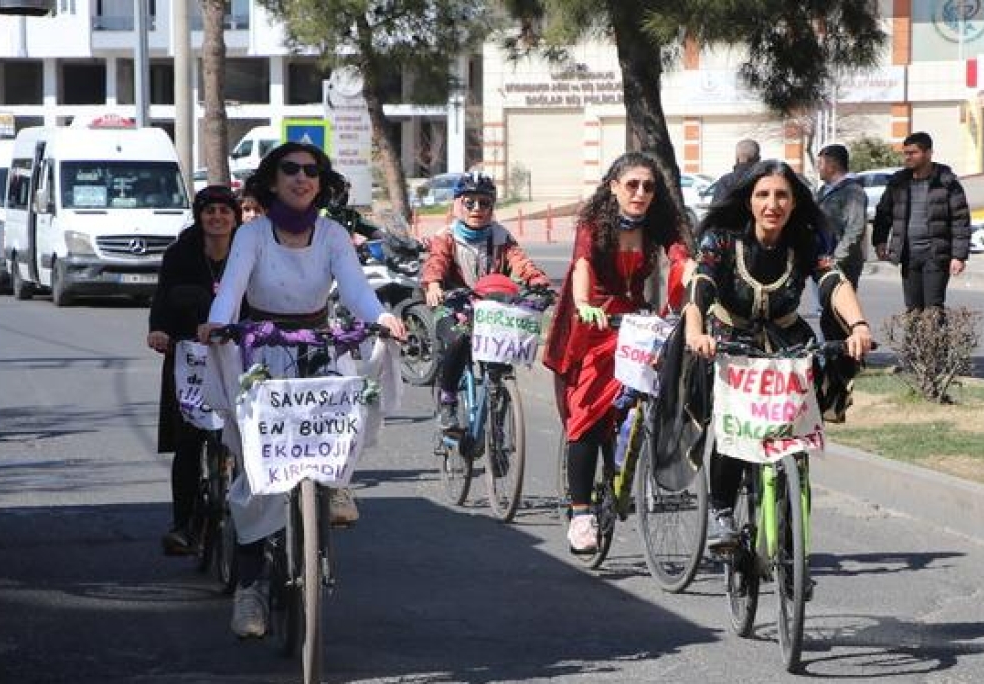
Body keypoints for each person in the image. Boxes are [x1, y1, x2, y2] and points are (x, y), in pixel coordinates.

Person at [197, 142, 405, 640]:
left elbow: (354, 288)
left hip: (318, 345)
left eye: (311, 171)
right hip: (261, 351)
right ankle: (250, 590)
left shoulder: (332, 233)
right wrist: (218, 324)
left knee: (343, 410)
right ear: (272, 180)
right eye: (290, 170)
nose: (301, 177)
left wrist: (380, 318)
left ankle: (333, 482)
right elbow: (230, 292)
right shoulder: (251, 235)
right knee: (257, 473)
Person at [682, 160, 873, 551]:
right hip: (727, 338)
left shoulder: (807, 238)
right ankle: (722, 512)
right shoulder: (721, 237)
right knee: (735, 423)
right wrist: (696, 332)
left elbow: (833, 281)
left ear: (794, 202)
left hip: (786, 338)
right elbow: (701, 282)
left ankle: (790, 547)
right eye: (763, 195)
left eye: (782, 195)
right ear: (749, 201)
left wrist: (858, 326)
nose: (773, 204)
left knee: (794, 430)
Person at [542, 152, 690, 554]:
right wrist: (583, 301)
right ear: (614, 186)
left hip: (636, 322)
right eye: (632, 185)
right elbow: (583, 265)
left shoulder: (660, 223)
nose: (640, 193)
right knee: (588, 413)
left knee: (658, 392)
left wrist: (693, 289)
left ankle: (630, 465)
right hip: (594, 322)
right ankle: (581, 512)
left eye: (648, 186)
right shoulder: (595, 224)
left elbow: (682, 260)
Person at [146, 185, 241, 556]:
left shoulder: (247, 252)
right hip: (189, 355)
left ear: (235, 217)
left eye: (224, 210)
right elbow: (163, 296)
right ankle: (183, 525)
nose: (217, 217)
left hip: (238, 353)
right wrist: (159, 330)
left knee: (246, 438)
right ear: (200, 216)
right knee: (189, 444)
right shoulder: (180, 254)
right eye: (209, 211)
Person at [421, 172, 550, 432]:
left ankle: (498, 416)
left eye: (484, 203)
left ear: (492, 207)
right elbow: (436, 262)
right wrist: (434, 284)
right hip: (453, 302)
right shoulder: (446, 236)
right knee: (458, 339)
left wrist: (540, 283)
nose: (477, 209)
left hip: (491, 304)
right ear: (457, 204)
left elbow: (520, 262)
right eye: (469, 202)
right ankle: (448, 399)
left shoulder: (501, 236)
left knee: (501, 357)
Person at [871, 131, 971, 311]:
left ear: (928, 153)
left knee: (933, 307)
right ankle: (914, 340)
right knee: (912, 308)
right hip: (908, 255)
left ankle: (935, 340)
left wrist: (958, 256)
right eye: (906, 153)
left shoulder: (947, 183)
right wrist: (879, 241)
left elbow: (960, 220)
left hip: (935, 254)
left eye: (913, 153)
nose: (908, 157)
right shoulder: (899, 182)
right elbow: (883, 213)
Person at [816, 144, 868, 288]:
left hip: (843, 263)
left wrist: (836, 258)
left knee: (838, 307)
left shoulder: (853, 191)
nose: (818, 168)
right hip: (822, 260)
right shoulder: (823, 190)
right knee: (823, 308)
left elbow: (855, 228)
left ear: (832, 165)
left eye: (820, 163)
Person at [710, 138, 762, 205]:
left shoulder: (725, 182)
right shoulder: (766, 179)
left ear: (736, 158)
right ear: (759, 158)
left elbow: (716, 212)